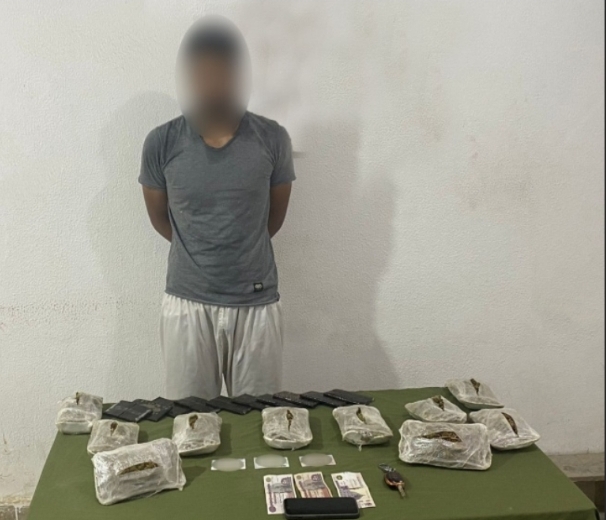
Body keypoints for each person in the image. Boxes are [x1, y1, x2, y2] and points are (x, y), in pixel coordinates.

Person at [139, 17, 295, 400]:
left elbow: (272, 220)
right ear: (189, 79)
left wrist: (238, 246)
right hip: (187, 303)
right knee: (187, 422)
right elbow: (161, 219)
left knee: (261, 422)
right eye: (203, 74)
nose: (213, 84)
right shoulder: (161, 143)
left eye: (222, 73)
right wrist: (200, 247)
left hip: (256, 303)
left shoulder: (273, 139)